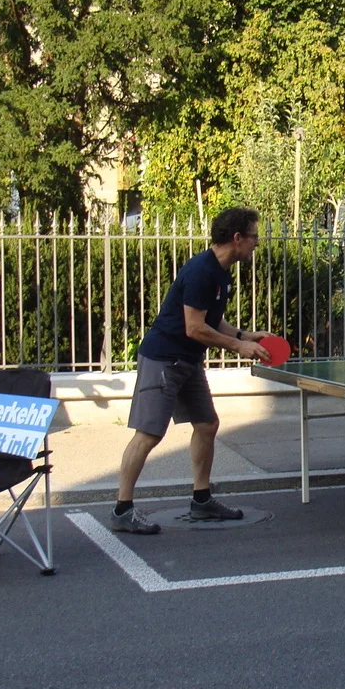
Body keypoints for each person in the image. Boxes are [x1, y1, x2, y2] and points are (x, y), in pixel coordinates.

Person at [112, 207, 273, 533]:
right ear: (237, 238)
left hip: (187, 360)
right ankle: (122, 508)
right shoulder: (201, 271)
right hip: (164, 359)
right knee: (148, 434)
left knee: (207, 424)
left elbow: (209, 320)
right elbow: (194, 328)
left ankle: (201, 500)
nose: (257, 243)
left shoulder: (219, 271)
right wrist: (238, 347)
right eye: (254, 236)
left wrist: (243, 334)